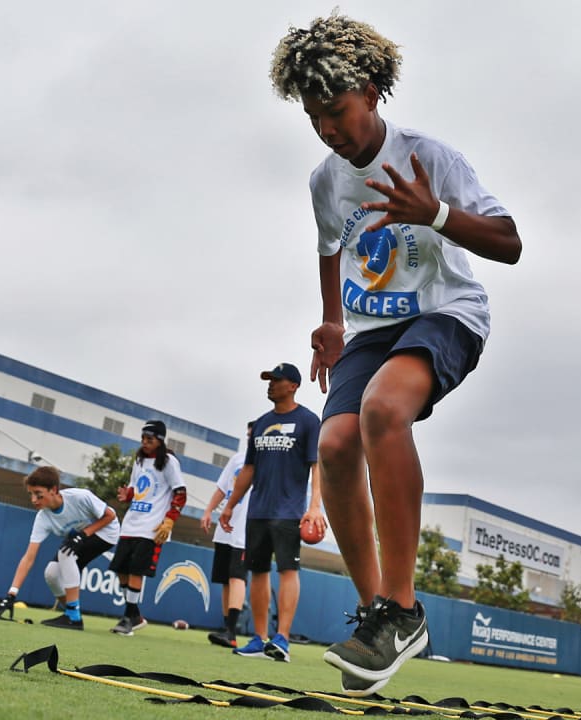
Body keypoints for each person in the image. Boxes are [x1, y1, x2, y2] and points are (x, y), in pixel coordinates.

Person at [268, 11, 523, 697]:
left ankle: (405, 609)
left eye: (338, 111)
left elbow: (509, 241)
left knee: (383, 412)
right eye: (313, 116)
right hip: (370, 331)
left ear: (373, 94)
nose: (327, 128)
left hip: (445, 314)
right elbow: (329, 246)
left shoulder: (428, 157)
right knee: (337, 443)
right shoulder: (326, 179)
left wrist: (433, 213)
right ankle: (377, 616)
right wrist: (329, 320)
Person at [219, 363, 324, 662]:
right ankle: (259, 638)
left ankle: (282, 640)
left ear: (293, 385)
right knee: (258, 572)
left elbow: (318, 466)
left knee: (288, 570)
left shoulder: (307, 421)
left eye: (276, 381)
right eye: (269, 380)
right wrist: (229, 505)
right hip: (257, 512)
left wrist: (314, 506)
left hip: (290, 511)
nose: (270, 385)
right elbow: (248, 469)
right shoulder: (262, 423)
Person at [0, 466, 120, 629]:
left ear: (53, 490)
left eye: (39, 494)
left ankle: (73, 617)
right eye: (31, 494)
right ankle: (72, 614)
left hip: (107, 532)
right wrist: (11, 594)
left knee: (66, 552)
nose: (34, 500)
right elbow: (29, 557)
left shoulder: (80, 497)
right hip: (81, 537)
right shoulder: (43, 518)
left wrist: (84, 534)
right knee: (51, 574)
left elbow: (110, 516)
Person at [107, 420, 187, 636]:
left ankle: (127, 618)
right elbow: (136, 486)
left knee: (135, 571)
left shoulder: (169, 462)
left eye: (149, 439)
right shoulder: (139, 460)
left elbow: (180, 493)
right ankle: (134, 615)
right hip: (131, 524)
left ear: (160, 440)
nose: (144, 443)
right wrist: (128, 495)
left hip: (151, 528)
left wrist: (169, 520)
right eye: (142, 438)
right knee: (120, 570)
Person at [202, 421, 253, 648]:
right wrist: (208, 511)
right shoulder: (237, 459)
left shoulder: (266, 463)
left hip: (246, 531)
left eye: (255, 435)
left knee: (237, 577)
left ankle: (232, 631)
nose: (251, 439)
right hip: (225, 528)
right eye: (249, 435)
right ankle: (226, 628)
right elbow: (222, 488)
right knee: (224, 580)